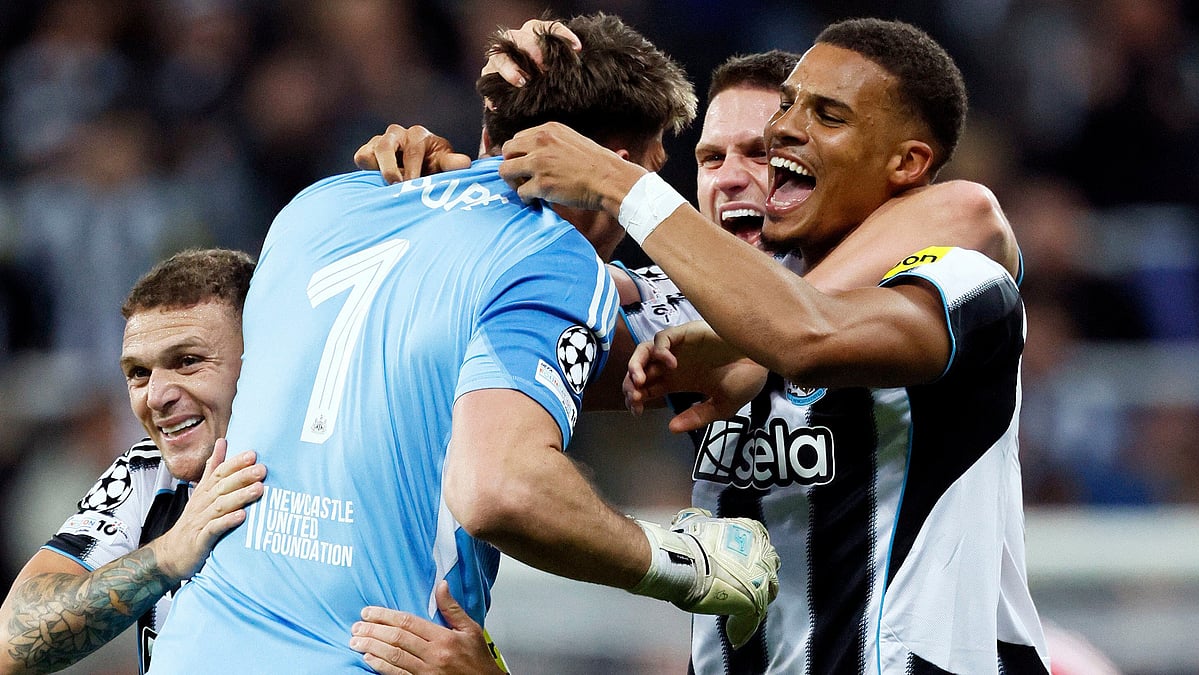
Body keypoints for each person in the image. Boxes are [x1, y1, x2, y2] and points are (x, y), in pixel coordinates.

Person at [147, 14, 779, 673]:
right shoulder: (553, 257)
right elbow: (501, 489)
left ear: (488, 132)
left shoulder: (322, 205)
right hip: (368, 656)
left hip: (197, 647)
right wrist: (685, 563)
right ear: (613, 172)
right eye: (648, 175)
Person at [496, 17, 1050, 674]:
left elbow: (962, 214)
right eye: (709, 158)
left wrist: (628, 191)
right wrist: (458, 180)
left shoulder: (955, 278)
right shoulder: (688, 306)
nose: (732, 176)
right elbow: (528, 332)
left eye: (759, 153)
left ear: (902, 164)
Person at [0, 249, 266, 674]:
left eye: (188, 361)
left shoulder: (346, 466)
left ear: (261, 357)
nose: (157, 396)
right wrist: (165, 557)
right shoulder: (145, 473)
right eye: (139, 372)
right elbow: (11, 641)